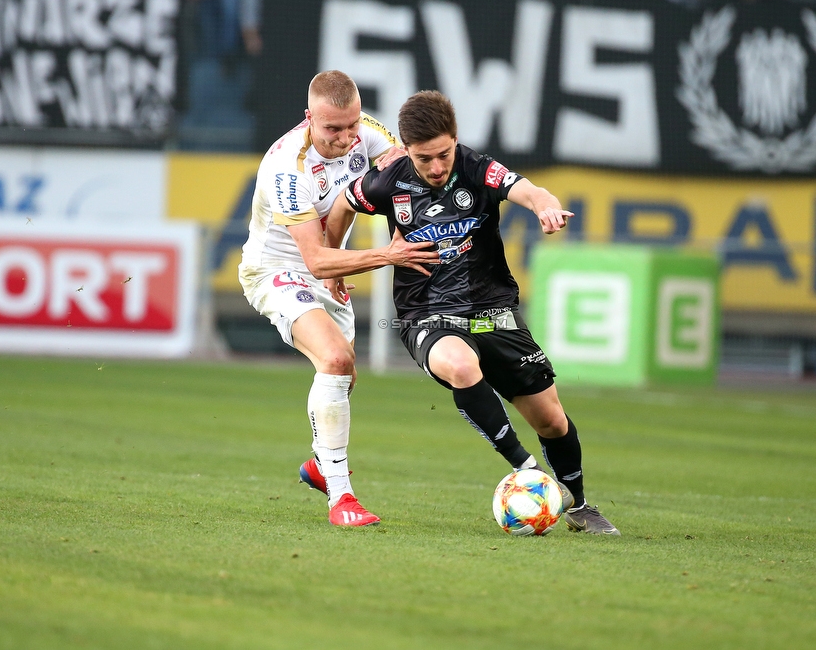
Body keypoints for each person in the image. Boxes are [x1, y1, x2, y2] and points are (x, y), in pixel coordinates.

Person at [325, 90, 620, 535]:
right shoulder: (388, 180)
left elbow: (528, 189)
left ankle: (579, 505)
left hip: (492, 311)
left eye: (444, 154)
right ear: (406, 150)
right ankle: (526, 471)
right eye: (425, 159)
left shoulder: (479, 169)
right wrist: (336, 261)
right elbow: (342, 205)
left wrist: (545, 208)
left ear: (456, 140)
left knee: (552, 420)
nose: (437, 167)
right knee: (460, 365)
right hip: (426, 314)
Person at [238, 71, 439, 527]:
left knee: (345, 375)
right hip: (279, 271)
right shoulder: (288, 167)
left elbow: (398, 158)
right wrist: (387, 254)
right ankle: (341, 497)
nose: (348, 139)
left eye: (353, 126)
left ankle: (318, 464)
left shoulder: (360, 130)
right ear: (309, 119)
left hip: (332, 269)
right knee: (333, 359)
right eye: (334, 130)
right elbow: (314, 259)